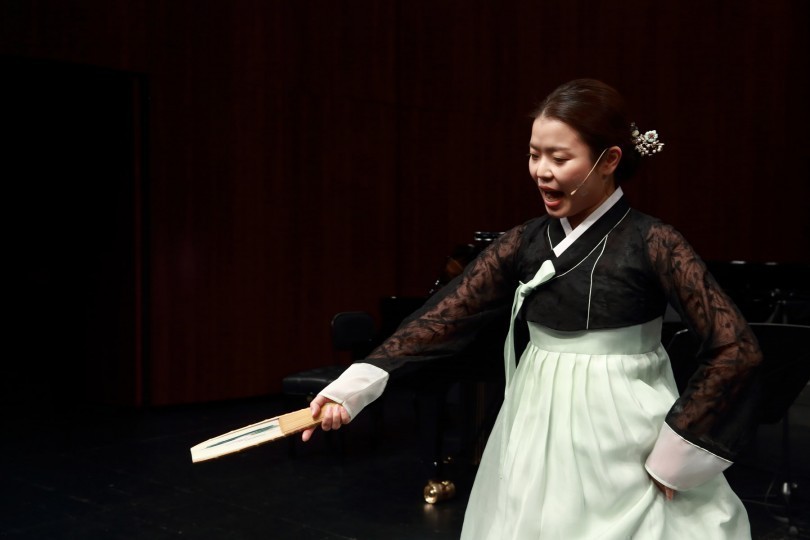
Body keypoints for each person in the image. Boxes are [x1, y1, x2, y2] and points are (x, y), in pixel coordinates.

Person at [301, 79, 763, 539]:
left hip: (625, 422)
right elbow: (446, 315)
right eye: (533, 154)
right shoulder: (525, 240)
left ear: (609, 161)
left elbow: (736, 349)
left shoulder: (654, 241)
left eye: (559, 159)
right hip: (535, 408)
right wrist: (354, 387)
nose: (541, 171)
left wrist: (677, 453)